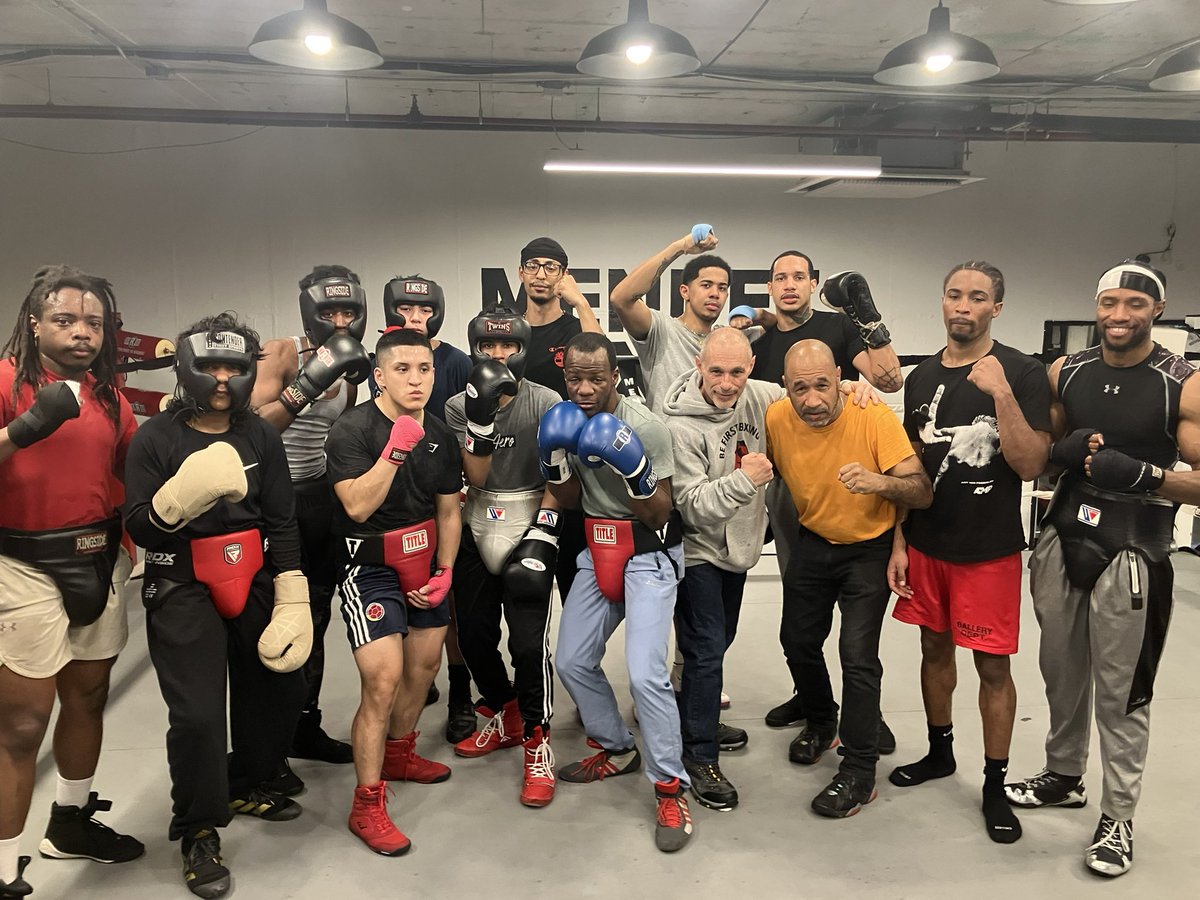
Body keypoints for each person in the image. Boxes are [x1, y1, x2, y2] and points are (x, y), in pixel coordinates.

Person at [1005, 258, 1200, 878]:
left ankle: (1118, 816)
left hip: (1134, 545)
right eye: (1110, 304)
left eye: (1135, 306)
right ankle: (1063, 775)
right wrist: (1061, 452)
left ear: (1156, 312)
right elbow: (1043, 459)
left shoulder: (1184, 383)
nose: (1119, 317)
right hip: (1064, 537)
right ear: (1097, 306)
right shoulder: (1069, 371)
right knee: (1061, 674)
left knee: (1122, 692)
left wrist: (1148, 476)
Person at [124, 313, 313, 899]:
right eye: (211, 366)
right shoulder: (157, 437)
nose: (225, 378)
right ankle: (199, 828)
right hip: (182, 581)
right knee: (199, 714)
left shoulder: (258, 434)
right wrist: (176, 500)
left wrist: (292, 591)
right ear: (187, 368)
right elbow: (139, 528)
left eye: (235, 366)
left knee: (279, 685)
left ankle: (242, 781)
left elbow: (281, 517)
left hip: (254, 572)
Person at [885, 262, 1051, 844]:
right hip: (928, 543)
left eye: (977, 297)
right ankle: (939, 753)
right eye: (954, 294)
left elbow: (1030, 463)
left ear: (996, 308)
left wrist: (1000, 390)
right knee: (933, 650)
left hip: (989, 550)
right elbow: (911, 465)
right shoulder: (921, 375)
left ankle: (993, 782)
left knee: (993, 667)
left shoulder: (1024, 372)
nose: (963, 306)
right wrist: (901, 539)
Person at [0, 267, 143, 900]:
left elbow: (132, 468)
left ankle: (71, 822)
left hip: (98, 558)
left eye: (92, 322)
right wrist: (24, 429)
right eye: (65, 320)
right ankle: (4, 863)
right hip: (23, 563)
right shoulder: (7, 381)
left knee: (88, 697)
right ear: (35, 322)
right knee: (24, 725)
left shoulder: (110, 393)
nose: (81, 332)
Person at [765, 340, 931, 818]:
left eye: (822, 384)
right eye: (800, 388)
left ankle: (859, 771)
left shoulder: (872, 415)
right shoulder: (777, 418)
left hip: (869, 548)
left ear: (839, 376)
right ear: (785, 387)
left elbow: (920, 490)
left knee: (857, 656)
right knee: (796, 640)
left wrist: (880, 482)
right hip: (815, 541)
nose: (813, 399)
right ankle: (822, 722)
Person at [542, 332, 692, 852]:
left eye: (595, 378)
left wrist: (633, 469)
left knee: (647, 674)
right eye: (575, 378)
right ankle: (615, 745)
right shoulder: (564, 418)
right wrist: (555, 459)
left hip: (649, 552)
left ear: (614, 376)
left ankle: (670, 787)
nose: (584, 389)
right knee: (571, 659)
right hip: (597, 546)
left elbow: (660, 511)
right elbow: (564, 498)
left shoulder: (645, 426)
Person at [751, 254, 904, 732]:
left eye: (799, 276)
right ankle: (810, 697)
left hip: (851, 482)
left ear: (815, 284)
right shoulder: (766, 337)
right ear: (770, 286)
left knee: (856, 631)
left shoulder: (839, 327)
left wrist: (867, 326)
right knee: (803, 620)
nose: (789, 284)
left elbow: (890, 379)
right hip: (794, 491)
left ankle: (867, 716)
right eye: (780, 277)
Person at [325, 327, 463, 856]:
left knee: (423, 669)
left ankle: (401, 753)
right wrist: (395, 451)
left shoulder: (442, 434)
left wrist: (446, 568)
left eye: (423, 369)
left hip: (425, 558)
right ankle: (367, 801)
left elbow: (449, 507)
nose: (415, 379)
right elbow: (356, 507)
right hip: (371, 566)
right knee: (382, 681)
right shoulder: (352, 429)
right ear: (379, 375)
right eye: (402, 370)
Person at [251, 265, 372, 775]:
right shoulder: (279, 353)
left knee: (316, 620)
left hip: (321, 503)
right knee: (276, 622)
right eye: (329, 312)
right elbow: (254, 431)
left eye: (348, 311)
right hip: (273, 506)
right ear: (310, 314)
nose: (340, 320)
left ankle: (305, 727)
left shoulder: (355, 366)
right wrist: (307, 383)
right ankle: (267, 751)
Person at [443, 306, 562, 807]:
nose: (497, 356)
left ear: (522, 348)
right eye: (488, 347)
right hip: (480, 513)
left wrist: (545, 528)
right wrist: (481, 419)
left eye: (507, 346)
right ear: (474, 349)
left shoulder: (547, 402)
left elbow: (561, 479)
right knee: (471, 636)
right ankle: (507, 710)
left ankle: (537, 744)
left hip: (533, 511)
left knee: (528, 643)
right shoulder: (455, 405)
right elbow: (477, 478)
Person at [660, 328, 780, 811]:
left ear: (750, 366)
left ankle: (696, 716)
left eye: (737, 371)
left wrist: (851, 388)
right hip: (698, 552)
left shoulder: (759, 394)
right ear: (698, 366)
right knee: (707, 649)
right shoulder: (680, 427)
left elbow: (803, 388)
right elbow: (691, 507)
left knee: (716, 643)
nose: (727, 383)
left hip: (739, 548)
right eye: (716, 372)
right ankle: (698, 755)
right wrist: (744, 482)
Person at [383, 274, 477, 742]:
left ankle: (460, 691)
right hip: (395, 495)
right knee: (402, 599)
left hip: (445, 491)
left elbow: (469, 426)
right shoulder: (381, 360)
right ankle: (414, 685)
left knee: (451, 598)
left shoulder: (457, 361)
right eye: (405, 311)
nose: (415, 319)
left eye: (423, 311)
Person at [515, 238, 603, 610]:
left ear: (563, 275)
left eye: (551, 267)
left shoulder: (573, 330)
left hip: (569, 474)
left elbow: (601, 361)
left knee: (572, 581)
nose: (541, 275)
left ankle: (574, 662)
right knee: (524, 584)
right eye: (533, 266)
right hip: (518, 472)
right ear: (520, 273)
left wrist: (581, 302)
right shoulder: (508, 332)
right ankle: (534, 664)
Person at [609, 225, 729, 413]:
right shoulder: (662, 329)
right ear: (685, 291)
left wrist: (757, 315)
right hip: (668, 440)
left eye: (722, 288)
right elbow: (620, 298)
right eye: (706, 285)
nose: (715, 293)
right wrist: (679, 247)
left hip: (715, 440)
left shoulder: (726, 338)